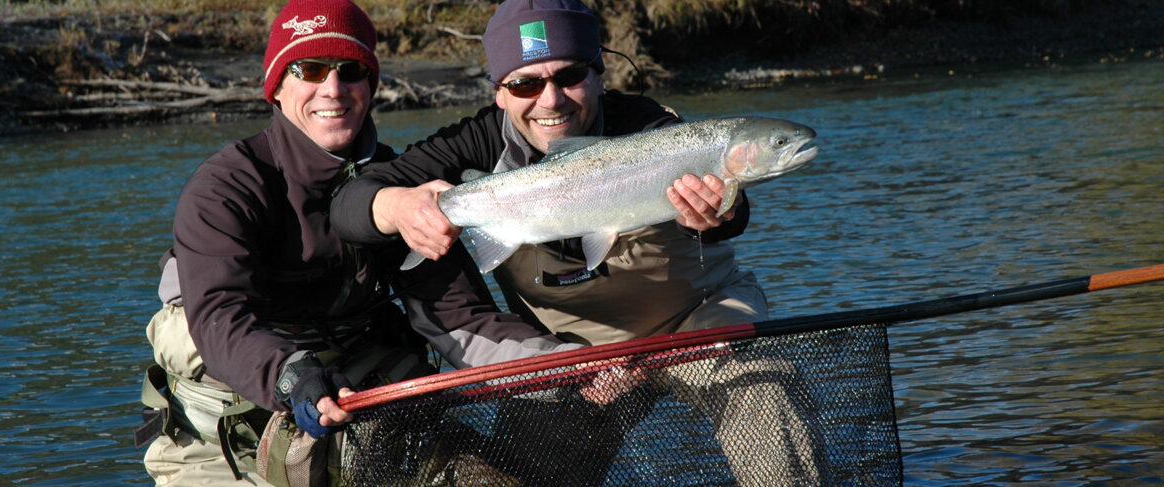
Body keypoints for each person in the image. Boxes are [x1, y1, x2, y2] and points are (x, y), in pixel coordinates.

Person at [330, 0, 825, 484]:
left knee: (764, 393)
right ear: (499, 92)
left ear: (598, 74)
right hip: (577, 357)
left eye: (569, 77)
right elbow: (349, 205)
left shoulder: (655, 127)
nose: (551, 100)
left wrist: (719, 212)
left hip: (698, 324)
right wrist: (398, 208)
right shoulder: (472, 143)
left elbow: (732, 219)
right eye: (525, 83)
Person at [135, 1, 581, 485]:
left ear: (370, 86)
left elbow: (461, 319)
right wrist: (291, 375)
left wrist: (566, 367)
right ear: (278, 90)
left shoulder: (404, 187)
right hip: (218, 447)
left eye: (351, 71)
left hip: (363, 426)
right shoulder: (227, 187)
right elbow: (220, 317)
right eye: (310, 69)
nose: (333, 88)